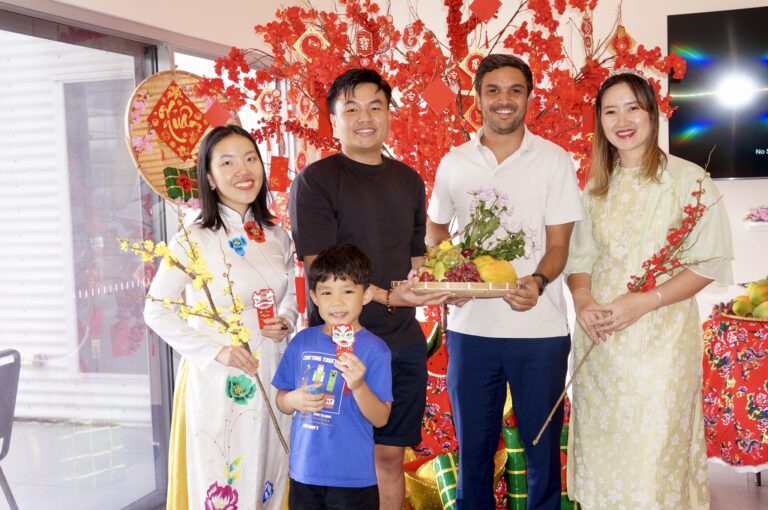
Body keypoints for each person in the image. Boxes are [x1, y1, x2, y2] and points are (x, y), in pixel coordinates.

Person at [564, 70, 733, 508]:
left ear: (653, 114)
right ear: (599, 121)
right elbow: (579, 260)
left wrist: (645, 301)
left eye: (632, 108)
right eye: (610, 112)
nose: (622, 120)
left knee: (654, 459)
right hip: (601, 342)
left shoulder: (689, 180)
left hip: (662, 342)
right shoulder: (596, 186)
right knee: (604, 459)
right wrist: (582, 301)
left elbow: (709, 263)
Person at [289, 68, 450, 508]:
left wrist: (436, 284)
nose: (365, 118)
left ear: (388, 114)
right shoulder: (316, 181)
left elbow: (415, 259)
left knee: (389, 457)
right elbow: (320, 269)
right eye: (352, 109)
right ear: (334, 121)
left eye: (375, 107)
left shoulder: (409, 180)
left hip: (401, 342)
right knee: (341, 461)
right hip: (339, 346)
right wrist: (384, 296)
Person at [426, 54, 582, 509]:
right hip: (470, 330)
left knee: (541, 453)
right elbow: (435, 228)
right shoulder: (454, 162)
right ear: (477, 97)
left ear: (529, 97)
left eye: (515, 90)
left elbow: (559, 244)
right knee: (473, 454)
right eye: (492, 90)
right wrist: (449, 274)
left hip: (541, 332)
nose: (504, 100)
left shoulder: (554, 160)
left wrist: (538, 280)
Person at [144, 125, 297, 509]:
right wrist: (217, 351)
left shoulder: (277, 236)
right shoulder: (192, 238)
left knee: (269, 472)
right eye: (227, 163)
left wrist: (286, 321)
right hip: (220, 378)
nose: (243, 170)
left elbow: (291, 296)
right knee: (225, 479)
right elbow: (156, 309)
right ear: (209, 177)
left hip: (272, 369)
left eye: (250, 159)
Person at [272, 243, 393, 509]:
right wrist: (293, 400)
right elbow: (281, 399)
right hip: (304, 473)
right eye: (326, 292)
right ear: (314, 297)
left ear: (366, 294)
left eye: (347, 291)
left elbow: (381, 418)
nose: (337, 302)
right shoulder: (302, 342)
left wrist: (359, 385)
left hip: (353, 478)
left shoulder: (375, 350)